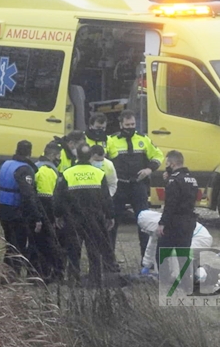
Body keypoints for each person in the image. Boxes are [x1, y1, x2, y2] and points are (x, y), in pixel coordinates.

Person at [54, 143, 119, 286]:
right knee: (94, 250)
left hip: (73, 218)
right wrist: (110, 216)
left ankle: (73, 280)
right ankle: (95, 280)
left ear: (77, 155)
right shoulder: (99, 174)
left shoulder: (68, 173)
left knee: (73, 250)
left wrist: (57, 215)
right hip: (94, 219)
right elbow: (106, 198)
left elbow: (59, 197)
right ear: (90, 156)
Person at [107, 109, 164, 259]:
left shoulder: (143, 139)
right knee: (112, 223)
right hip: (119, 186)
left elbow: (158, 156)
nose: (130, 127)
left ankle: (145, 263)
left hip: (138, 186)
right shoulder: (111, 140)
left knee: (144, 224)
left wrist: (149, 169)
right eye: (127, 125)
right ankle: (110, 260)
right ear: (120, 125)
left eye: (133, 124)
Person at [0, 140, 46, 281]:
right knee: (18, 245)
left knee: (10, 244)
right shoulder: (25, 169)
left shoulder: (5, 165)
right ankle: (12, 276)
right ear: (30, 153)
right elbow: (28, 195)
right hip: (18, 213)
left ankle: (7, 275)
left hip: (4, 212)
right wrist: (37, 217)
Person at [155, 151, 199, 285]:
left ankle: (165, 281)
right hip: (189, 221)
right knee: (183, 254)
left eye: (167, 163)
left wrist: (162, 223)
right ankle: (186, 283)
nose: (166, 166)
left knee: (161, 252)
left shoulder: (173, 180)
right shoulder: (192, 179)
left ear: (173, 164)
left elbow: (170, 204)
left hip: (175, 222)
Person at [137, 209, 213, 274]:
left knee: (176, 257)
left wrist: (154, 270)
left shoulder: (161, 226)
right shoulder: (160, 223)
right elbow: (152, 244)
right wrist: (146, 265)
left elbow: (153, 247)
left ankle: (203, 273)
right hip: (200, 237)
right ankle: (200, 273)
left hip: (200, 239)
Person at [31, 141, 64, 281]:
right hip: (44, 215)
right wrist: (53, 218)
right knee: (46, 244)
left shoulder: (36, 166)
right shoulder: (47, 171)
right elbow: (47, 199)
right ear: (52, 155)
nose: (59, 159)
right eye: (58, 156)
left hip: (33, 213)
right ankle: (45, 274)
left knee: (35, 243)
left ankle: (35, 273)